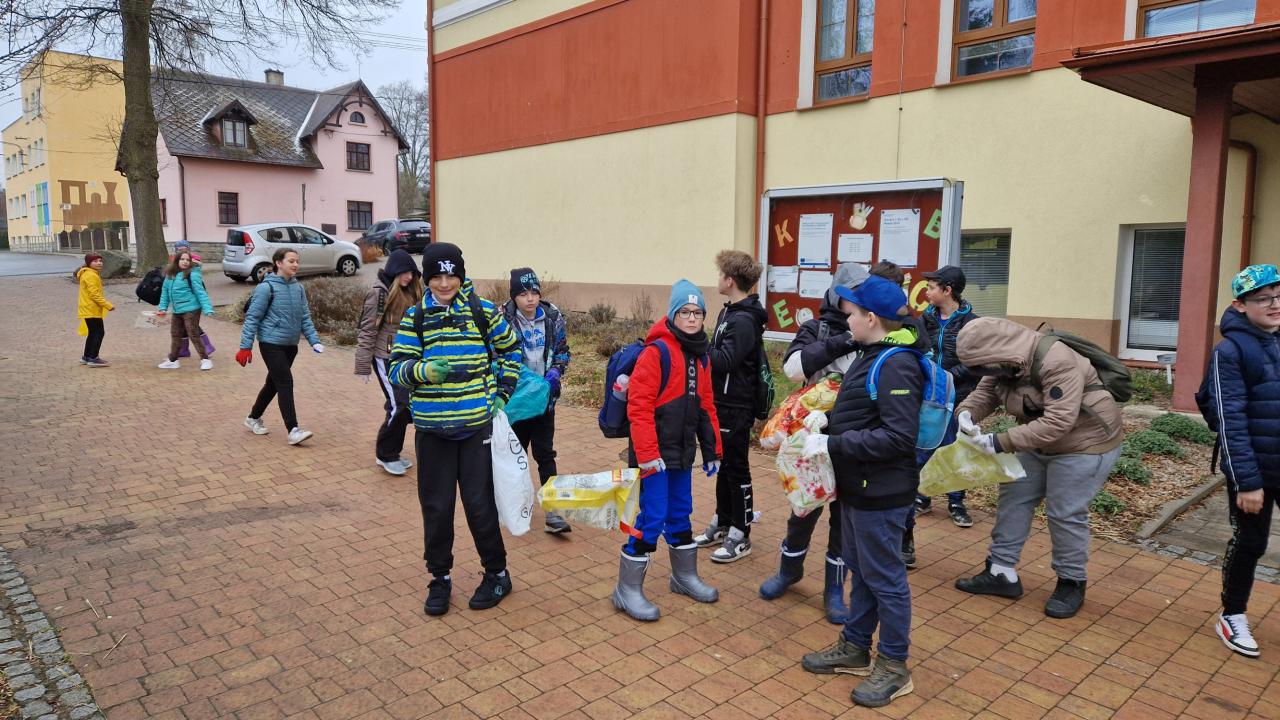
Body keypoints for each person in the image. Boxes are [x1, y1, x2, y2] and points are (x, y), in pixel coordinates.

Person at [799, 275, 923, 708]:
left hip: (881, 493)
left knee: (886, 579)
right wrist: (828, 423)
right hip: (858, 487)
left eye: (850, 314)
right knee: (863, 571)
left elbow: (898, 437)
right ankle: (855, 646)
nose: (845, 321)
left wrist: (832, 443)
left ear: (871, 318)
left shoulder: (896, 364)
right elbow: (865, 416)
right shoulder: (873, 355)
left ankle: (894, 664)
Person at [952, 317, 1122, 620]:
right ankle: (1001, 573)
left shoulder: (1056, 360)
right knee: (1014, 497)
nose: (983, 372)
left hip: (1084, 443)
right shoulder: (1001, 362)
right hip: (1037, 441)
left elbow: (1059, 421)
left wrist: (999, 441)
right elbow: (986, 393)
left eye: (983, 366)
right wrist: (966, 413)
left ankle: (1071, 582)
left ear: (997, 353)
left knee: (1064, 512)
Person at [389, 243, 523, 616]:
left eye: (451, 276)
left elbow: (511, 350)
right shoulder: (416, 317)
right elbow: (397, 368)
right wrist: (422, 371)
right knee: (436, 508)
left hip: (475, 426)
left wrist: (502, 392)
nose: (444, 283)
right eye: (436, 276)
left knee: (480, 505)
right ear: (426, 278)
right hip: (432, 430)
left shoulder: (483, 312)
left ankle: (497, 574)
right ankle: (440, 578)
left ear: (461, 276)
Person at [761, 263, 869, 623]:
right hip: (810, 440)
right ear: (837, 296)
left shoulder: (875, 329)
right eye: (852, 296)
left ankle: (834, 590)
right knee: (804, 509)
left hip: (851, 439)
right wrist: (845, 340)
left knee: (844, 519)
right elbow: (793, 369)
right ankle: (789, 571)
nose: (858, 303)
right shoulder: (817, 328)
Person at [612, 279, 722, 622]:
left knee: (680, 512)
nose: (691, 318)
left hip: (681, 452)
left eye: (697, 313)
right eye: (684, 312)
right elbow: (639, 407)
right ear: (673, 314)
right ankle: (626, 589)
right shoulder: (656, 352)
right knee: (652, 516)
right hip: (653, 457)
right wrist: (647, 455)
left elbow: (707, 406)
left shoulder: (701, 356)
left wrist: (713, 450)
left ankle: (683, 577)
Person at [1197, 264, 1280, 658]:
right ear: (1240, 305)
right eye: (1263, 299)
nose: (1274, 304)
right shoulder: (1229, 352)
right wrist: (1247, 482)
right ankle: (1232, 615)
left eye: (1278, 296)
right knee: (1251, 542)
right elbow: (1228, 419)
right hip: (1254, 470)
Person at [694, 250, 766, 562]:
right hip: (721, 402)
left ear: (730, 280)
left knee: (737, 469)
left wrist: (698, 343)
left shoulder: (744, 320)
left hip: (736, 405)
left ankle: (741, 532)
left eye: (721, 273)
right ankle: (723, 522)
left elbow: (725, 361)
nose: (718, 278)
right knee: (723, 465)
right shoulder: (730, 312)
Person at [501, 268, 573, 533]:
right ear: (514, 296)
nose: (530, 298)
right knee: (514, 456)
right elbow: (496, 355)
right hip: (517, 402)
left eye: (534, 292)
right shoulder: (503, 319)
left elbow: (563, 351)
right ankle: (514, 507)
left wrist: (556, 371)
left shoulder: (552, 317)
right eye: (523, 294)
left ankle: (553, 512)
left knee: (545, 455)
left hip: (544, 401)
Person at [236, 248, 324, 445]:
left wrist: (314, 340)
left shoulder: (298, 288)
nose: (295, 264)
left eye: (297, 261)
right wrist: (245, 347)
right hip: (270, 343)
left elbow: (305, 317)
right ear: (278, 263)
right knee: (285, 382)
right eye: (291, 261)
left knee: (273, 384)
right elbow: (252, 318)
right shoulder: (266, 288)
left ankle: (253, 418)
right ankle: (293, 430)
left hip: (291, 345)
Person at [914, 266, 980, 526]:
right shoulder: (925, 319)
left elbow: (976, 361)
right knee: (926, 444)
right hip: (931, 394)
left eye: (931, 288)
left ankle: (956, 502)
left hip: (960, 394)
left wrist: (947, 377)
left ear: (947, 290)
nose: (927, 292)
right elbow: (917, 351)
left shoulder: (972, 323)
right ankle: (922, 496)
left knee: (956, 447)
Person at [356, 249, 423, 476]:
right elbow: (367, 329)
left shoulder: (411, 291)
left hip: (406, 357)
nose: (409, 277)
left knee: (403, 406)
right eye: (404, 272)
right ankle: (385, 454)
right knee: (399, 405)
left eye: (412, 273)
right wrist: (363, 366)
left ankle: (391, 451)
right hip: (385, 358)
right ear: (394, 271)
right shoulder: (379, 293)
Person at [156, 250, 216, 371]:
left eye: (188, 260)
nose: (185, 262)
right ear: (177, 260)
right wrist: (162, 308)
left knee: (193, 333)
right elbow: (165, 293)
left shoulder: (192, 274)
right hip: (177, 310)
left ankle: (205, 360)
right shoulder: (170, 275)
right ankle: (173, 361)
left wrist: (208, 308)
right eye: (182, 259)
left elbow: (200, 292)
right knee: (175, 334)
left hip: (192, 309)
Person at [76, 253, 114, 367]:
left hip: (88, 308)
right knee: (99, 332)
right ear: (89, 263)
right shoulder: (91, 275)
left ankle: (87, 356)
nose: (99, 263)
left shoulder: (89, 273)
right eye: (95, 261)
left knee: (93, 332)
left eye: (100, 261)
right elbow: (94, 294)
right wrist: (107, 305)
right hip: (91, 308)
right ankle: (93, 358)